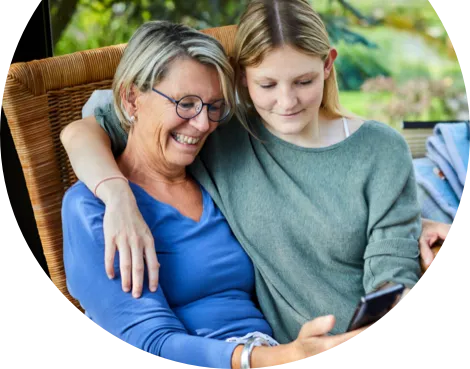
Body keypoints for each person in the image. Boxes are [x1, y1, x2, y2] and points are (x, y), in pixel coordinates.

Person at [61, 0, 449, 346]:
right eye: (267, 84)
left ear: (328, 65)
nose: (287, 102)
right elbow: (82, 130)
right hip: (287, 348)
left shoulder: (381, 149)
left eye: (304, 81)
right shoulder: (220, 133)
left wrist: (409, 222)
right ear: (242, 76)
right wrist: (117, 195)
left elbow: (392, 271)